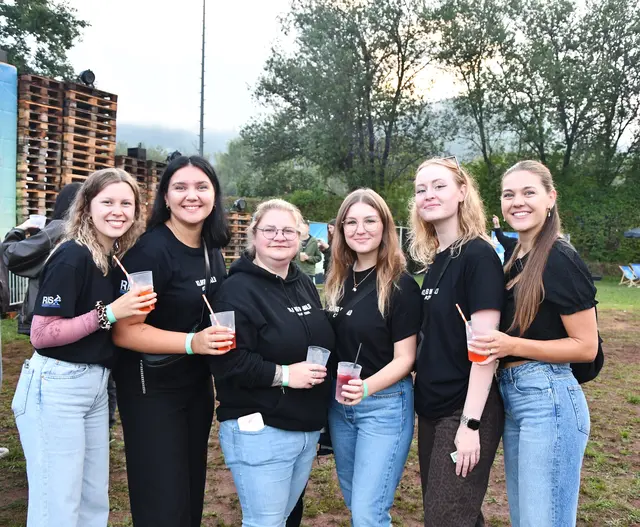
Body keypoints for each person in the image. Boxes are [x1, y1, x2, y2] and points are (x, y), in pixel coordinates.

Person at [10, 168, 156, 527]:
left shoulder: (112, 258)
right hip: (56, 386)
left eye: (126, 203)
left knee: (93, 502)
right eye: (107, 202)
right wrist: (109, 313)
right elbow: (42, 334)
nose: (118, 211)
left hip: (95, 385)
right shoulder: (71, 255)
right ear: (87, 206)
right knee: (57, 506)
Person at [470, 160, 598, 527]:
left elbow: (585, 347)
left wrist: (511, 345)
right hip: (516, 398)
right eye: (509, 194)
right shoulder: (516, 258)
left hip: (549, 398)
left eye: (529, 192)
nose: (517, 202)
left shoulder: (560, 258)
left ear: (550, 198)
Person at [111, 156, 234, 527]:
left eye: (201, 187)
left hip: (195, 386)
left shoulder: (211, 249)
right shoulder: (151, 252)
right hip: (152, 391)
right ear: (165, 197)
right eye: (180, 187)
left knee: (190, 492)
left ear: (214, 195)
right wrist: (193, 343)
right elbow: (125, 331)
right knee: (162, 500)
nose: (191, 196)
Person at [208, 199, 335, 527]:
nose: (279, 237)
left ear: (300, 236)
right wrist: (285, 374)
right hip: (261, 430)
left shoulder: (302, 282)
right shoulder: (234, 291)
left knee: (284, 520)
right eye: (270, 230)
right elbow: (227, 362)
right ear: (254, 235)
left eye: (288, 231)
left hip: (304, 428)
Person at [408, 157, 505, 527]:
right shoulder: (438, 259)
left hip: (463, 408)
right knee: (455, 514)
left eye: (439, 186)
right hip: (430, 407)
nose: (428, 195)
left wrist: (470, 424)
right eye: (421, 189)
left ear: (462, 192)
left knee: (445, 518)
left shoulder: (478, 255)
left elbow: (485, 349)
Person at [324, 189, 421, 526]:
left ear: (385, 227)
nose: (360, 229)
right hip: (340, 406)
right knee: (357, 502)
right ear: (340, 229)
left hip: (384, 406)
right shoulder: (337, 280)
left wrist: (365, 388)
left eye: (369, 221)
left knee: (369, 512)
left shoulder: (400, 285)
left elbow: (405, 358)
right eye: (351, 222)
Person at [2, 183, 82, 336]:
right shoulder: (88, 231)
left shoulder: (59, 228)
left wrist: (18, 230)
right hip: (75, 313)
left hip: (45, 312)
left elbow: (11, 254)